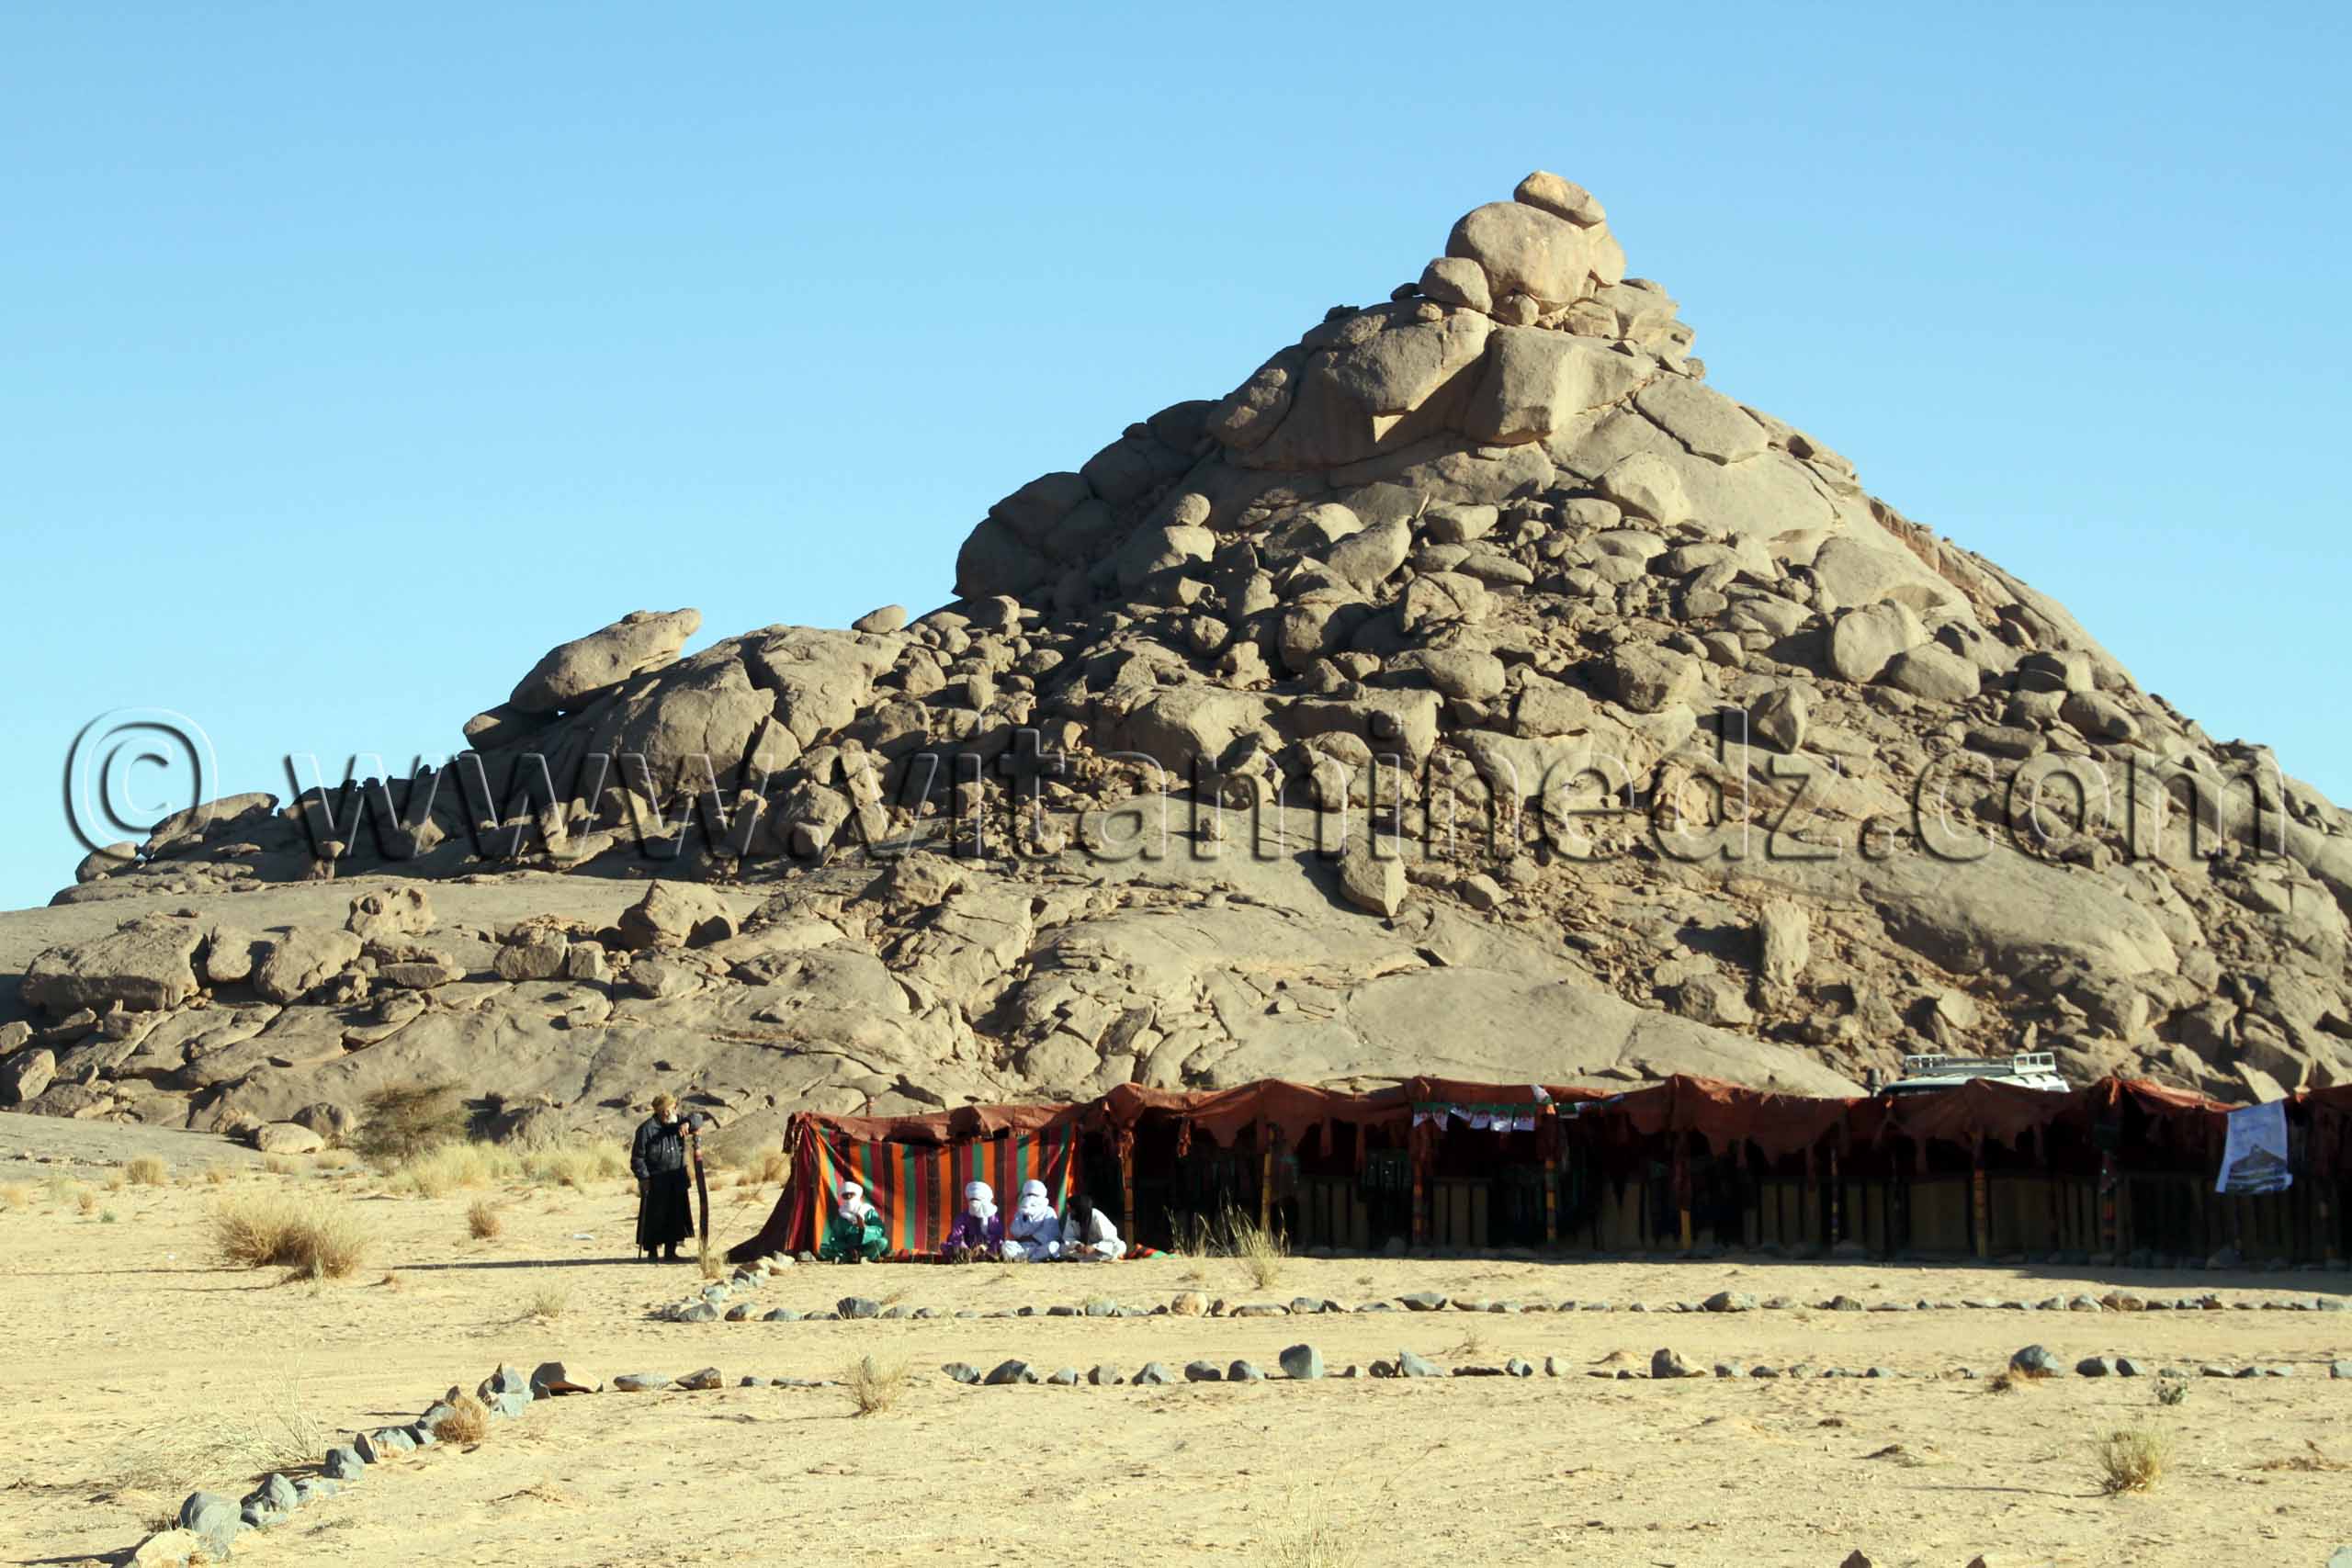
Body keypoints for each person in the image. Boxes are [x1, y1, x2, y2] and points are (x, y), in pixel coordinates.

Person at [629, 1094, 695, 1262]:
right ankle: (652, 1253)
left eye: (671, 1109)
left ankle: (670, 1252)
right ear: (658, 1111)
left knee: (675, 1215)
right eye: (664, 1111)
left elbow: (698, 1119)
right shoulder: (646, 1129)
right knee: (655, 1217)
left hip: (677, 1177)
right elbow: (637, 1157)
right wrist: (644, 1177)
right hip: (656, 1179)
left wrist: (688, 1123)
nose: (668, 1113)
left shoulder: (680, 1122)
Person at [820, 1181, 888, 1263]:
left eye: (851, 1194)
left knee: (883, 1242)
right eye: (845, 1196)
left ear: (857, 1195)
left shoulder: (868, 1211)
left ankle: (864, 1257)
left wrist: (865, 1228)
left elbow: (880, 1230)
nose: (848, 1197)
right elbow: (835, 1238)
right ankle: (848, 1256)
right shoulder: (842, 1216)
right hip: (848, 1247)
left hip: (867, 1244)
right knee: (822, 1247)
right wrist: (848, 1248)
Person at [940, 1179, 1004, 1262]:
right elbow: (955, 1237)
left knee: (1006, 1247)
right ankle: (966, 1258)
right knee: (947, 1247)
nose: (974, 1203)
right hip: (968, 1250)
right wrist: (967, 1250)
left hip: (990, 1250)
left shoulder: (995, 1219)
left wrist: (986, 1248)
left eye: (977, 1199)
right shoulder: (962, 1218)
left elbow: (998, 1238)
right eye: (972, 1200)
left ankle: (989, 1257)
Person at [1006, 1179, 1061, 1262]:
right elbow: (1015, 1231)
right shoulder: (1021, 1212)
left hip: (1040, 1247)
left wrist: (1030, 1237)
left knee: (1053, 1246)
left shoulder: (1048, 1211)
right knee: (1006, 1245)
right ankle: (1025, 1258)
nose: (1031, 1198)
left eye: (1034, 1195)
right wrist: (1024, 1214)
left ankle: (1030, 1258)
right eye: (1029, 1195)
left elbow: (1048, 1234)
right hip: (1022, 1247)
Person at [1059, 1193, 1125, 1261]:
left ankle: (1118, 1255)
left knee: (1118, 1247)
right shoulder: (1070, 1217)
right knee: (1062, 1249)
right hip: (1084, 1250)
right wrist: (1077, 1245)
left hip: (1100, 1248)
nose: (1069, 1211)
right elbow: (1068, 1237)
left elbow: (1110, 1239)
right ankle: (1114, 1256)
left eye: (1071, 1209)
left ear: (1079, 1208)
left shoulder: (1096, 1216)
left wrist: (1094, 1247)